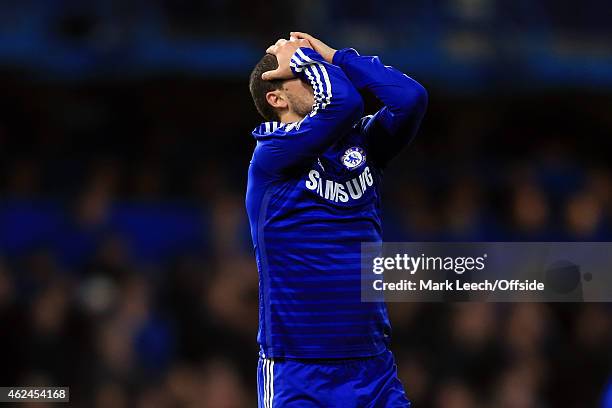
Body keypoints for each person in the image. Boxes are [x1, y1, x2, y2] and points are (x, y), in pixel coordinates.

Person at [246, 32, 427, 407]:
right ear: (276, 98)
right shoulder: (271, 156)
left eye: (319, 71)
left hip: (372, 368)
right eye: (305, 74)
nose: (320, 76)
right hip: (298, 373)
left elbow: (411, 99)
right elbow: (344, 103)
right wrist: (301, 57)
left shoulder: (361, 144)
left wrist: (335, 56)